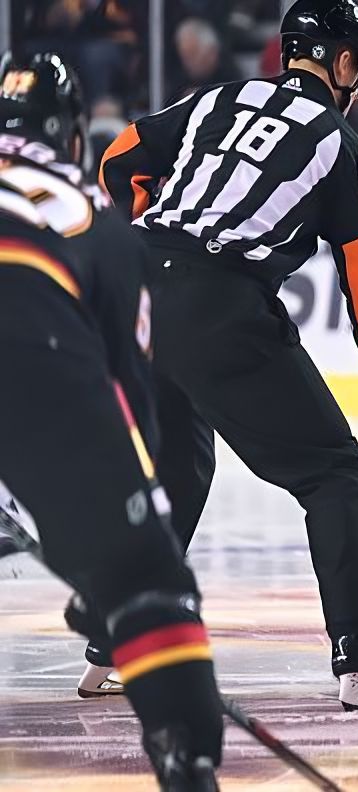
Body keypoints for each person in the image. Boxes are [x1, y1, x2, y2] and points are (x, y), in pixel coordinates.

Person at [97, 0, 358, 710]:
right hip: (221, 304)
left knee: (182, 467)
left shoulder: (221, 97)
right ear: (341, 61)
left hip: (138, 293)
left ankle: (111, 635)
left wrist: (155, 246)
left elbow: (119, 156)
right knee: (337, 475)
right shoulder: (340, 145)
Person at [0, 52, 223, 789]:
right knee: (147, 577)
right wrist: (124, 560)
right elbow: (130, 403)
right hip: (30, 324)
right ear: (71, 138)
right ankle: (186, 760)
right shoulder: (96, 220)